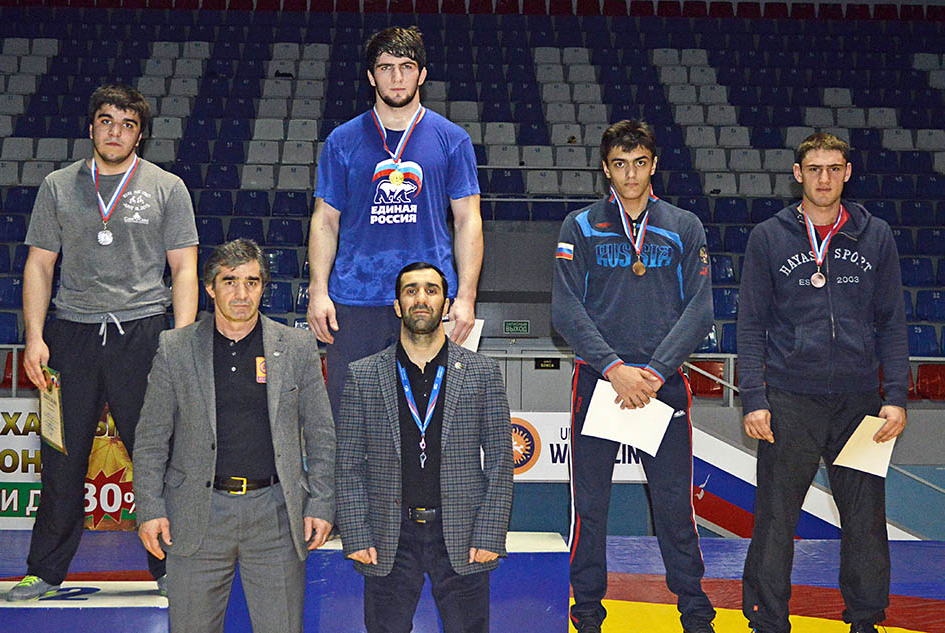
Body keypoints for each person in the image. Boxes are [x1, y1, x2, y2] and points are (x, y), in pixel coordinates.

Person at [8, 84, 199, 601]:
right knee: (61, 457)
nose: (116, 132)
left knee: (156, 455)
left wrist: (180, 340)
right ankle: (44, 571)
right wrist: (34, 337)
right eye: (107, 121)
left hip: (144, 332)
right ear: (91, 126)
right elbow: (39, 265)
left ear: (141, 135)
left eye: (128, 124)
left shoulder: (167, 187)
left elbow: (184, 268)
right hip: (70, 334)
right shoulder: (57, 186)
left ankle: (172, 567)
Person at [551, 119, 717, 633]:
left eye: (640, 163)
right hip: (599, 383)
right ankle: (587, 613)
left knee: (674, 508)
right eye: (620, 164)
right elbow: (565, 310)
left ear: (654, 165)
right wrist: (615, 369)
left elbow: (700, 311)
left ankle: (695, 613)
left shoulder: (684, 225)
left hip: (662, 386)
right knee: (590, 509)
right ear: (605, 168)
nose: (630, 174)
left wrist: (654, 372)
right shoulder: (580, 226)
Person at [738, 133, 908, 633]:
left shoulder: (875, 235)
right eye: (814, 169)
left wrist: (896, 396)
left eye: (834, 168)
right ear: (798, 174)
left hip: (860, 402)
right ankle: (767, 621)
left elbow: (893, 322)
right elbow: (750, 324)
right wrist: (754, 397)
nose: (824, 178)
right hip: (789, 399)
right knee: (776, 518)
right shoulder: (769, 237)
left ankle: (866, 619)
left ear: (847, 173)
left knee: (865, 519)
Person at [131, 239, 335, 633]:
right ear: (210, 287)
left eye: (252, 282)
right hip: (196, 514)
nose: (242, 294)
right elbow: (151, 438)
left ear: (263, 288)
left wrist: (322, 502)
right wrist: (151, 508)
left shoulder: (296, 347)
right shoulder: (176, 349)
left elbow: (321, 432)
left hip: (276, 514)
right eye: (230, 281)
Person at [309, 26, 483, 424]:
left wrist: (466, 296)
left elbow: (468, 220)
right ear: (371, 76)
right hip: (356, 299)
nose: (397, 77)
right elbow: (325, 220)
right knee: (351, 421)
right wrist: (318, 290)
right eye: (386, 68)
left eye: (406, 67)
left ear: (422, 74)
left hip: (428, 298)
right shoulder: (341, 141)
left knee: (432, 423)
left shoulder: (452, 139)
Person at [336, 262, 513, 633]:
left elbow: (501, 460)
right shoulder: (363, 374)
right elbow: (348, 464)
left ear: (446, 305)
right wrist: (356, 533)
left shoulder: (482, 372)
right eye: (411, 290)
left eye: (431, 290)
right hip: (389, 535)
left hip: (462, 533)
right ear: (397, 305)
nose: (421, 299)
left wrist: (489, 534)